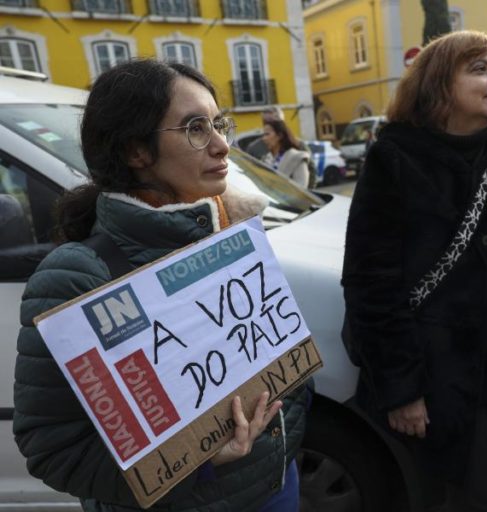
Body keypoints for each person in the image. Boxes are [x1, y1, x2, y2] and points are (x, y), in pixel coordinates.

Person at [13, 59, 310, 512]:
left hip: (277, 487)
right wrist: (199, 464)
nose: (222, 145)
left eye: (219, 124)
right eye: (195, 128)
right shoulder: (76, 276)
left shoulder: (235, 232)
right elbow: (54, 449)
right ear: (136, 151)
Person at [342, 30, 487, 512]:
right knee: (477, 500)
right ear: (436, 85)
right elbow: (370, 286)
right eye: (480, 69)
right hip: (440, 371)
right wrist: (402, 388)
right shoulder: (394, 160)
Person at [246, 107, 317, 188]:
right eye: (266, 121)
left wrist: (310, 194)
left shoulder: (298, 145)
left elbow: (311, 171)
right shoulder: (254, 148)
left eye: (276, 121)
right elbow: (250, 173)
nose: (270, 124)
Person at [262, 119, 311, 188]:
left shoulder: (296, 158)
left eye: (267, 134)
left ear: (279, 136)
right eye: (263, 135)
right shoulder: (267, 159)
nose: (263, 138)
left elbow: (301, 189)